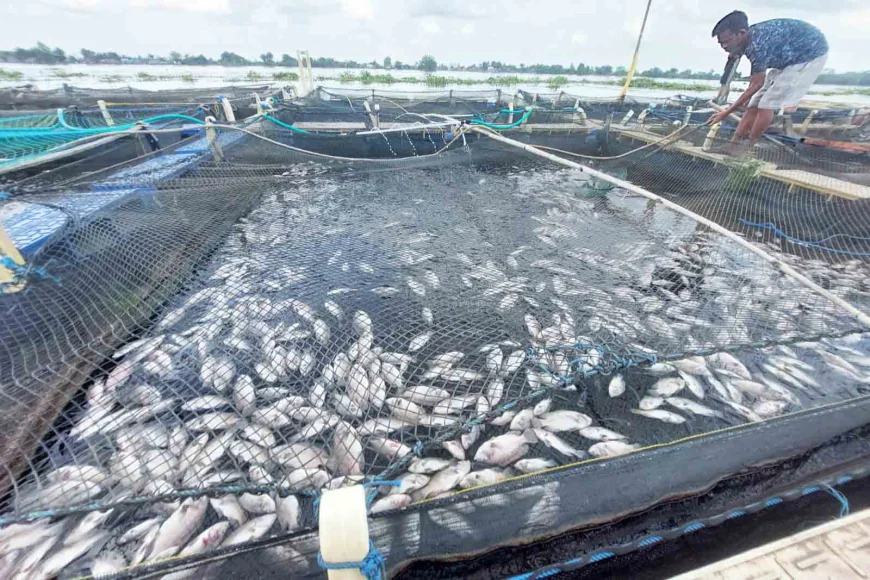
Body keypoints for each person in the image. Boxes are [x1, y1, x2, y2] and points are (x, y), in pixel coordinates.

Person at [707, 11, 828, 152]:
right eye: (721, 43)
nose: (724, 46)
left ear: (741, 33)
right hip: (786, 60)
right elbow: (754, 83)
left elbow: (756, 84)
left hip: (809, 57)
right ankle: (733, 145)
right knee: (753, 103)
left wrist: (726, 112)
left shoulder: (758, 45)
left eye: (727, 41)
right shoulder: (747, 40)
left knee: (766, 104)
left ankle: (747, 149)